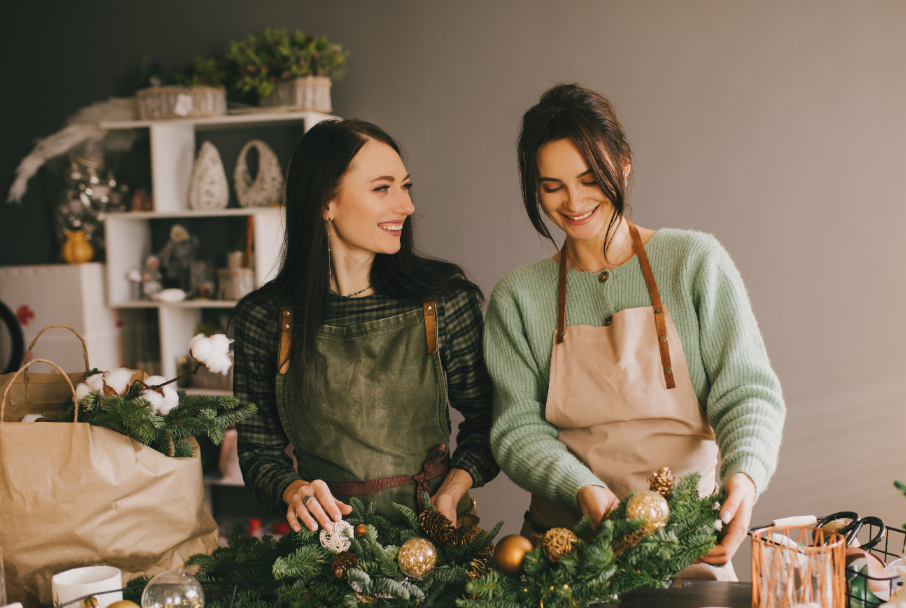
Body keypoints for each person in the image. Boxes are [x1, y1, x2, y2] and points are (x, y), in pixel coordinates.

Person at [484, 84, 785, 579]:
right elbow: (516, 429)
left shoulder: (693, 262)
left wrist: (745, 477)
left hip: (684, 548)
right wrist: (585, 489)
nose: (574, 201)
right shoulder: (519, 298)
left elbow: (747, 390)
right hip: (565, 553)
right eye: (552, 185)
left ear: (623, 162)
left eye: (589, 178)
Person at [234, 119, 498, 535]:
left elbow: (488, 420)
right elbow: (258, 451)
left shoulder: (443, 299)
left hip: (436, 538)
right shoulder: (265, 318)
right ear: (326, 202)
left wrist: (450, 491)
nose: (406, 205)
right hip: (327, 548)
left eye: (405, 186)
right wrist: (293, 491)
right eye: (382, 188)